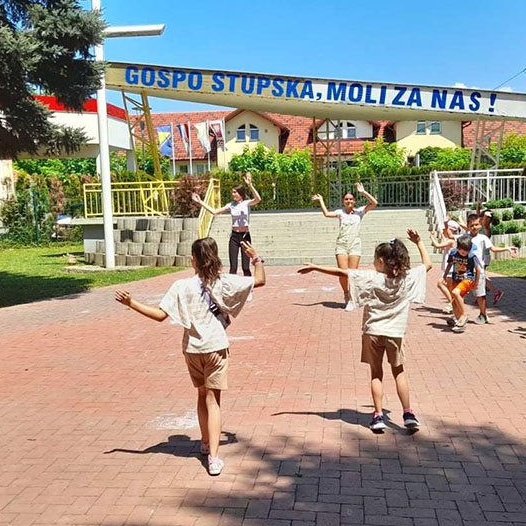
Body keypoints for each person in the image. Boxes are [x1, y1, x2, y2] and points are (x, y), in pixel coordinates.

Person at [114, 238, 265, 476]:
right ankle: (214, 457)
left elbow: (159, 315)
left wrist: (130, 302)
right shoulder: (224, 282)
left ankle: (205, 442)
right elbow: (260, 280)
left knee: (201, 394)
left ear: (193, 259)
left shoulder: (181, 286)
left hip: (192, 349)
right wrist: (255, 258)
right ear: (215, 258)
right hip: (215, 346)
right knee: (214, 402)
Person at [298, 230, 432, 433]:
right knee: (399, 372)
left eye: (375, 259)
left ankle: (378, 415)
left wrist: (315, 267)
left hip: (373, 331)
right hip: (395, 333)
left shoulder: (372, 278)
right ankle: (408, 414)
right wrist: (419, 242)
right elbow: (427, 265)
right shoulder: (406, 278)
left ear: (381, 261)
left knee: (376, 373)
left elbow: (343, 273)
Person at [310, 182, 379, 310]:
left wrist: (363, 192)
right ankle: (346, 294)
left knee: (352, 274)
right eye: (346, 199)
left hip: (355, 244)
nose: (349, 201)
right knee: (342, 273)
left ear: (354, 201)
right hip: (342, 244)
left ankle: (352, 299)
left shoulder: (360, 212)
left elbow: (374, 203)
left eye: (351, 199)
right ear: (343, 201)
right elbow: (326, 214)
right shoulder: (340, 212)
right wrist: (321, 200)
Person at [192, 172, 262, 276]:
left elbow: (258, 199)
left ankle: (249, 285)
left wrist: (250, 185)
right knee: (233, 267)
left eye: (235, 192)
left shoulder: (246, 203)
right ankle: (231, 285)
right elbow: (215, 212)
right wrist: (200, 202)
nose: (233, 194)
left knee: (245, 267)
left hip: (245, 236)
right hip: (234, 236)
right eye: (232, 192)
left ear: (240, 193)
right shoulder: (231, 205)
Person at [465, 213, 517, 324]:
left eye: (476, 225)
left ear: (480, 225)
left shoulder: (483, 238)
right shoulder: (464, 238)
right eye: (472, 225)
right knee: (459, 292)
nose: (474, 227)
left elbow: (493, 248)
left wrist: (507, 248)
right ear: (468, 226)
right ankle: (459, 314)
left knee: (480, 294)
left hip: (478, 270)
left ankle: (483, 314)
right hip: (465, 270)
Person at [442, 234, 478, 333]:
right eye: (462, 251)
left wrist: (476, 283)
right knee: (454, 302)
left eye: (467, 251)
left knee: (455, 292)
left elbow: (478, 270)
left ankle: (464, 314)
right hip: (456, 279)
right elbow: (449, 264)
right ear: (458, 248)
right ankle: (459, 322)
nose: (464, 253)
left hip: (467, 279)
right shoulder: (453, 253)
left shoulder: (472, 256)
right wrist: (445, 275)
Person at [430, 218, 464, 314]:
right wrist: (442, 231)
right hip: (449, 268)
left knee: (442, 284)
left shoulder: (451, 241)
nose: (444, 231)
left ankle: (452, 304)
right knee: (449, 287)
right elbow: (444, 239)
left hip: (451, 268)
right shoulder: (452, 240)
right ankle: (453, 304)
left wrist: (431, 237)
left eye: (447, 229)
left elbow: (437, 245)